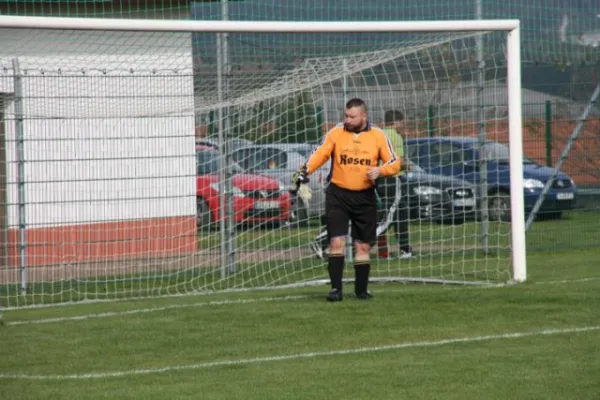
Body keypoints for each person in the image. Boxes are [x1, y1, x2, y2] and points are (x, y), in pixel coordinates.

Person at [293, 98, 401, 302]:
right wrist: (303, 172)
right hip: (338, 195)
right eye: (346, 116)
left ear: (363, 116)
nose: (347, 120)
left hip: (365, 197)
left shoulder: (378, 135)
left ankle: (361, 290)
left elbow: (395, 163)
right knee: (336, 242)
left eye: (352, 116)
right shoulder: (336, 133)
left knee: (362, 246)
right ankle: (336, 290)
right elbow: (320, 154)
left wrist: (381, 170)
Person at [377, 109, 413, 259]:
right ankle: (362, 244)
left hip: (380, 180)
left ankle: (406, 250)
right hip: (393, 179)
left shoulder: (379, 134)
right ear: (397, 122)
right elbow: (397, 162)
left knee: (401, 215)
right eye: (402, 123)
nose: (403, 126)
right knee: (389, 217)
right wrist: (407, 165)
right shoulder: (395, 136)